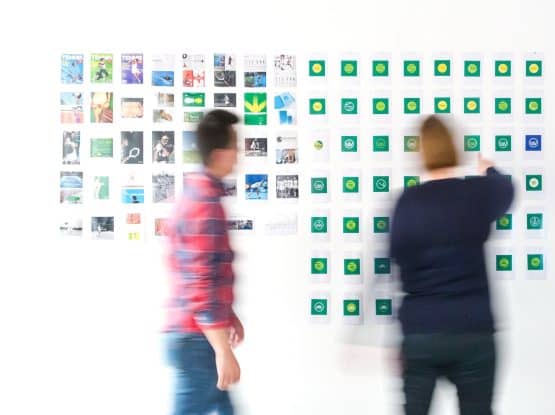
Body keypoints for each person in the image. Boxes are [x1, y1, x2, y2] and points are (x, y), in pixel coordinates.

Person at [389, 115, 514, 415]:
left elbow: (396, 256)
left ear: (421, 152)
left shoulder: (408, 202)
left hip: (421, 331)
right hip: (473, 330)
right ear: (453, 147)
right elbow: (507, 189)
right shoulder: (476, 193)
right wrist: (489, 170)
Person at [165, 109, 243, 415]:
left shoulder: (201, 195)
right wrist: (222, 349)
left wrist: (228, 314)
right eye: (236, 146)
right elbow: (200, 281)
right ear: (221, 153)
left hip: (197, 335)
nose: (239, 153)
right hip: (195, 338)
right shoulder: (205, 204)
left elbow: (207, 271)